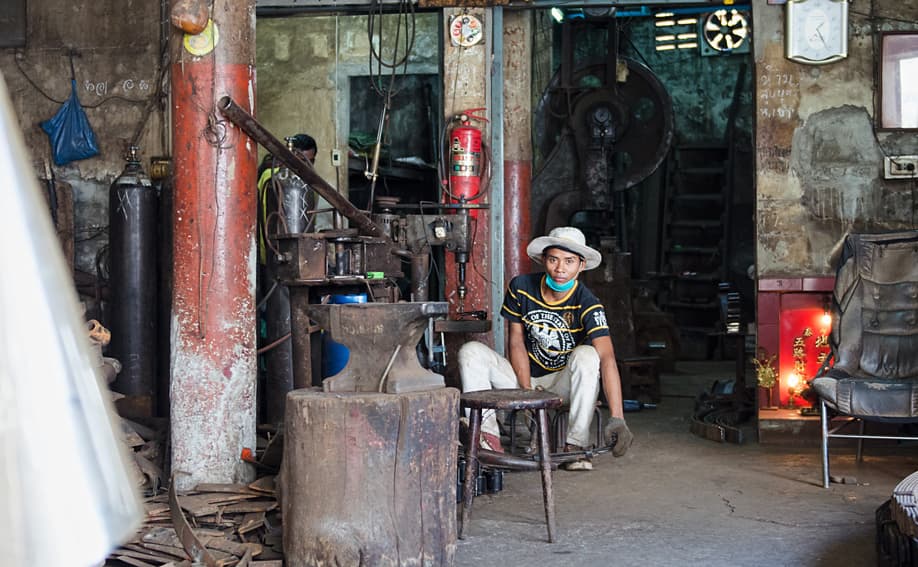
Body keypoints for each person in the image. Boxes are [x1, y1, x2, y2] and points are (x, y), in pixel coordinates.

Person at [458, 226, 633, 471]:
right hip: (524, 377)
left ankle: (576, 446)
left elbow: (607, 358)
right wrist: (527, 390)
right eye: (553, 259)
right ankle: (487, 440)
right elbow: (516, 341)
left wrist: (618, 417)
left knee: (588, 355)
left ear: (581, 266)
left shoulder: (588, 303)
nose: (560, 269)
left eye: (569, 262)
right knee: (470, 351)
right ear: (543, 260)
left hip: (562, 384)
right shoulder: (521, 287)